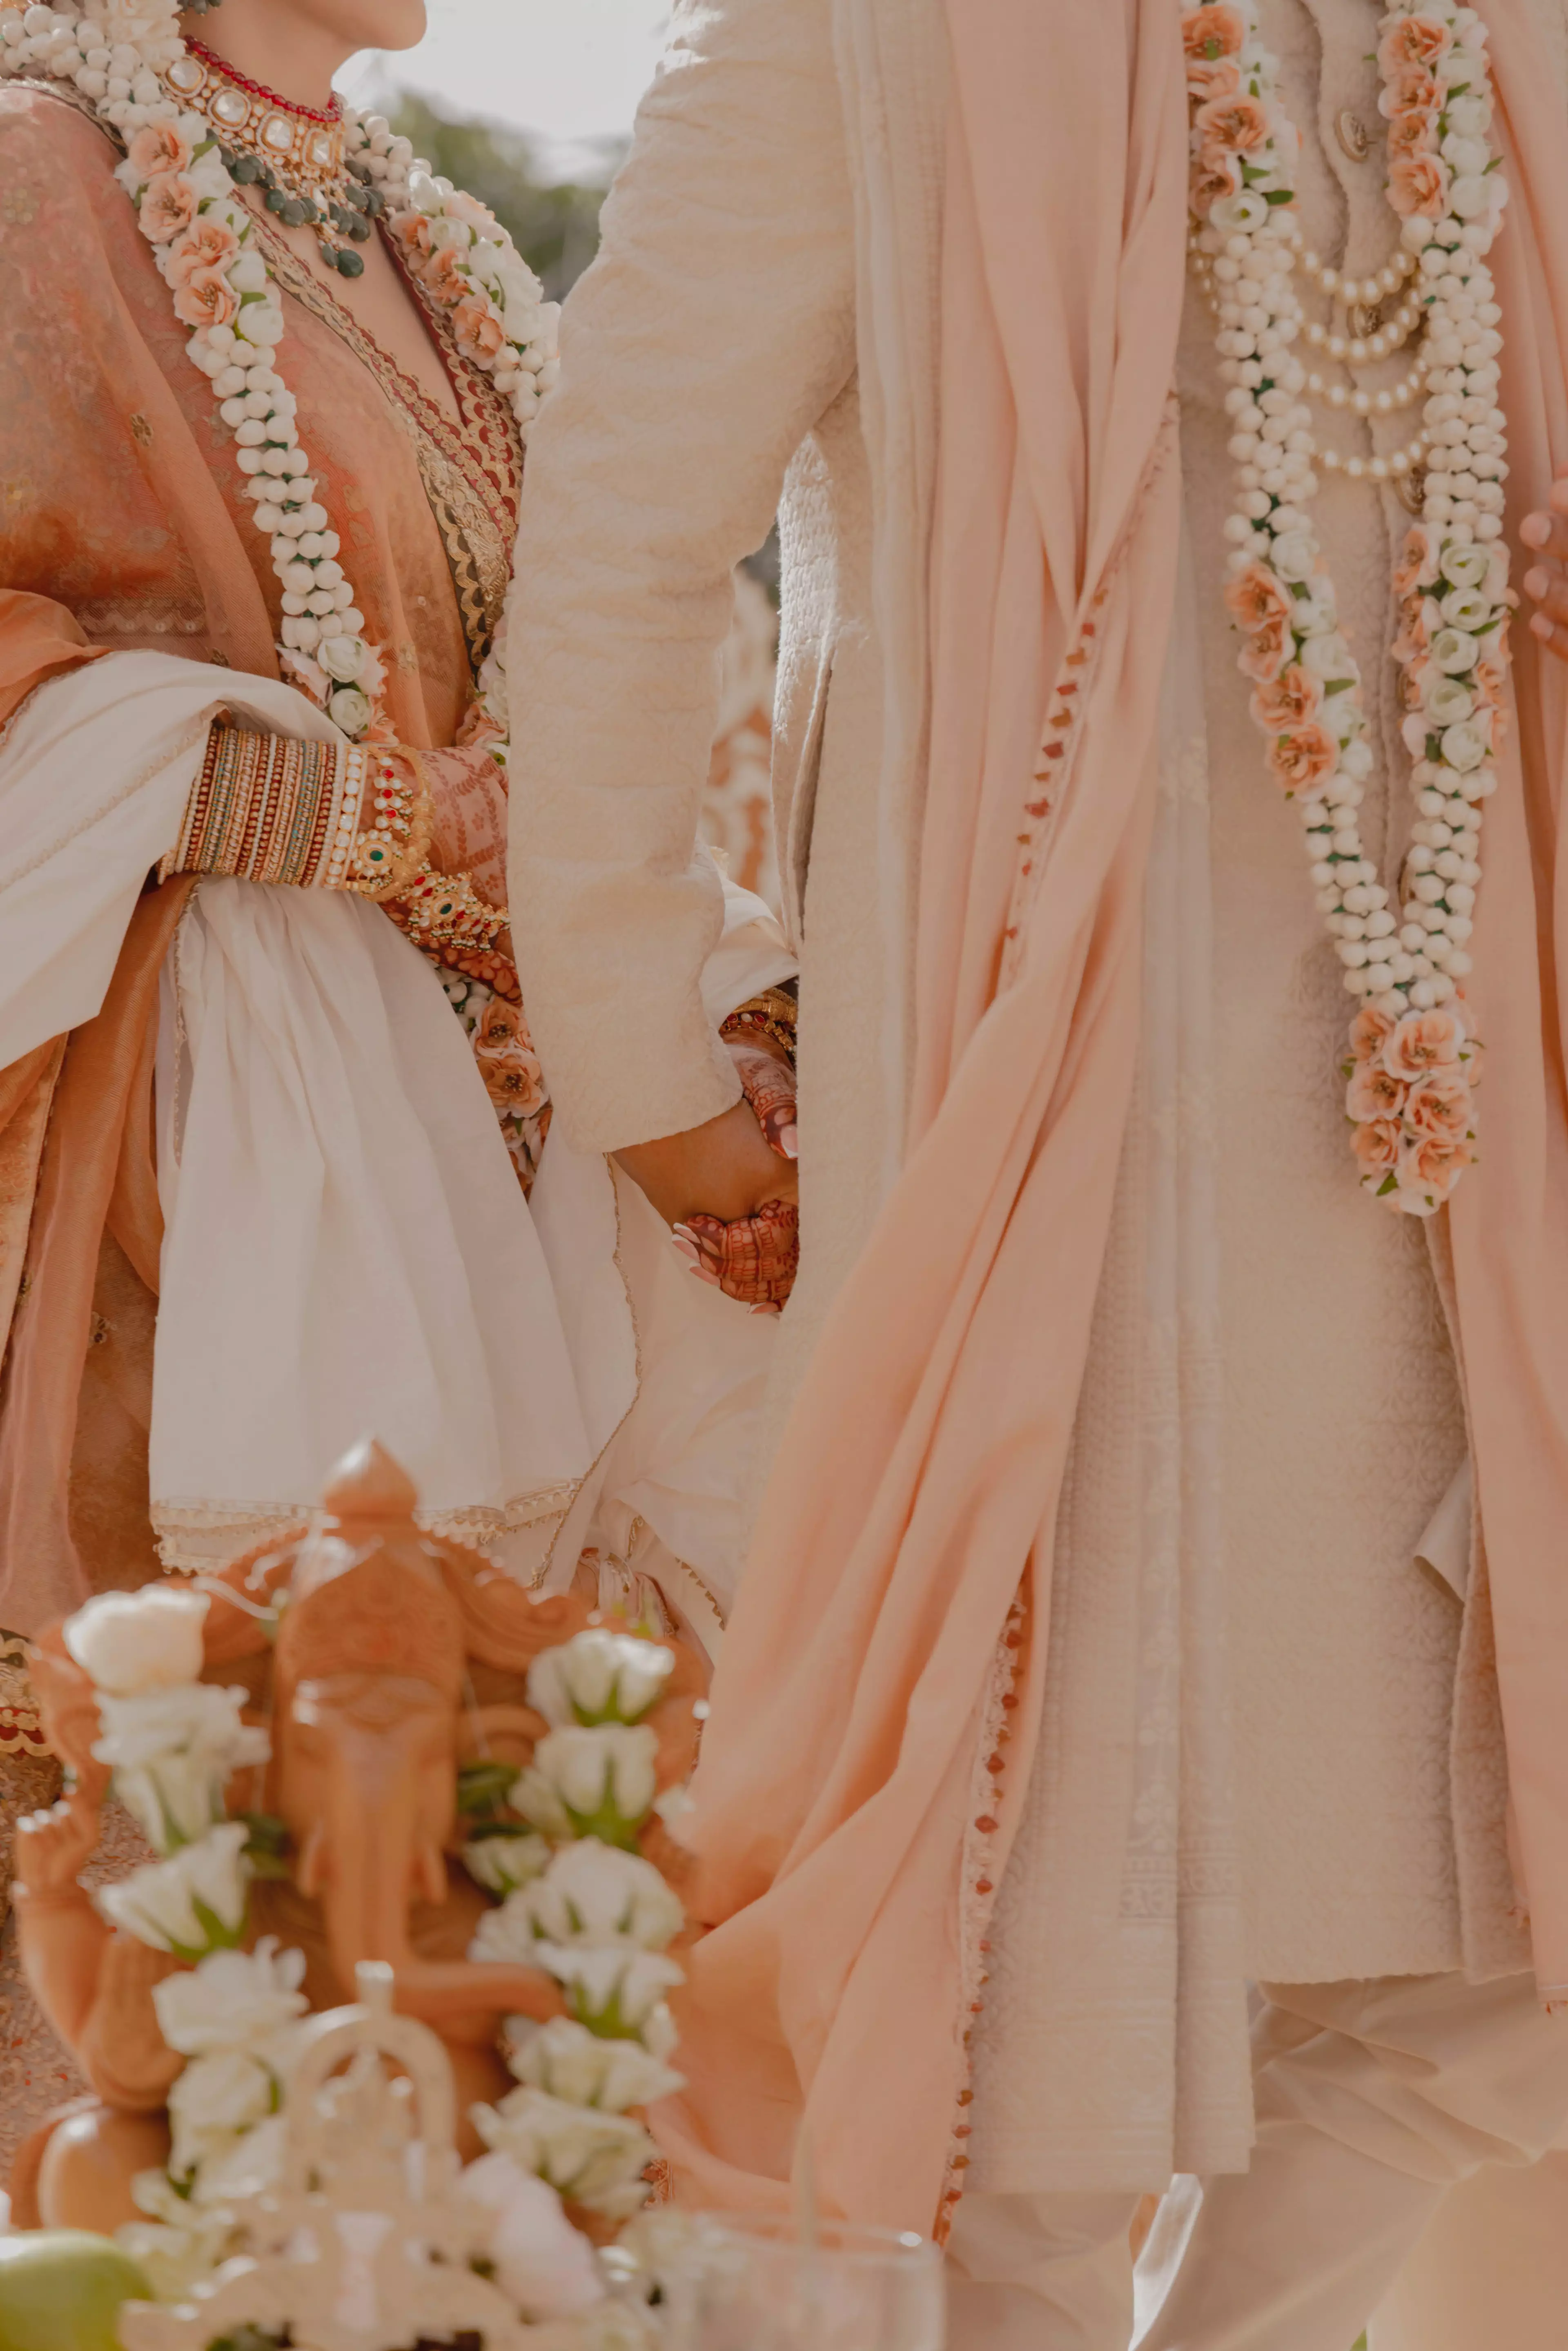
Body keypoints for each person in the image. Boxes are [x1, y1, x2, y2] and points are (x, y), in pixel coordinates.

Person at [503, 0, 1568, 2344]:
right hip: (1065, 1168)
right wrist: (646, 1059)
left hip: (1466, 1164)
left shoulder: (1478, 46)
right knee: (1031, 2025)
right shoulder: (862, 39)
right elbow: (617, 530)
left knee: (1503, 1968)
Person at [0, 0, 799, 2169]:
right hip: (186, 1159)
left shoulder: (426, 229)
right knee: (199, 1900)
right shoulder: (40, 183)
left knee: (477, 1886)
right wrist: (329, 812)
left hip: (487, 1119)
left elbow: (577, 698)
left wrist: (698, 997)